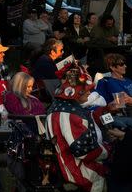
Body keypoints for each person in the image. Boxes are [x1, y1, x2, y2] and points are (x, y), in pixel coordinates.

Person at [46, 63, 118, 192]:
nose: (90, 92)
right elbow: (85, 151)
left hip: (72, 162)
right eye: (86, 89)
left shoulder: (66, 109)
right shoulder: (70, 115)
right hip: (77, 169)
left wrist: (106, 110)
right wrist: (110, 149)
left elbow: (88, 119)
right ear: (77, 92)